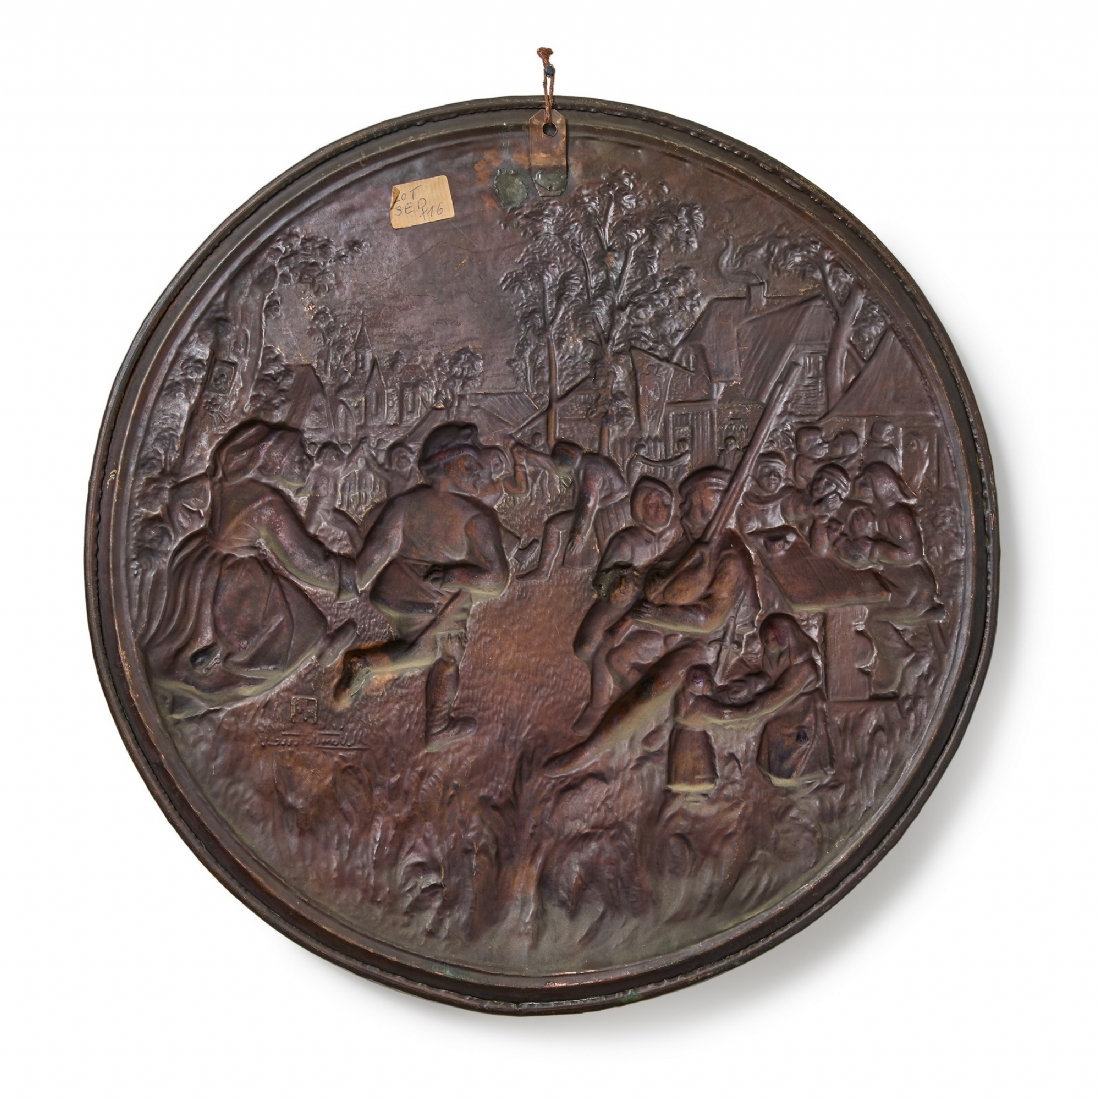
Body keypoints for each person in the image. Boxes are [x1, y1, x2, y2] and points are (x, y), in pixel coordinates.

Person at [549, 466, 760, 772]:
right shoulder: (693, 544)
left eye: (690, 504)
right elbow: (655, 577)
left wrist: (658, 614)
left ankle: (588, 751)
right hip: (668, 627)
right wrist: (638, 593)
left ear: (709, 507)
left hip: (706, 643)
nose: (682, 512)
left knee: (655, 684)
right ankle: (646, 718)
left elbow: (709, 619)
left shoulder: (730, 557)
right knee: (614, 655)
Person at [145, 421, 358, 719]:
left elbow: (182, 495)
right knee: (282, 628)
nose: (308, 462)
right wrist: (344, 577)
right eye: (299, 457)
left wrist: (181, 522)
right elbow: (302, 560)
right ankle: (318, 645)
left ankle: (191, 691)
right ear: (272, 464)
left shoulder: (222, 483)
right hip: (239, 576)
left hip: (201, 564)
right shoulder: (267, 503)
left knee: (199, 631)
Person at [333, 423, 509, 745]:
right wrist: (454, 576)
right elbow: (496, 580)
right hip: (435, 602)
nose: (477, 472)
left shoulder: (403, 505)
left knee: (429, 650)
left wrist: (345, 579)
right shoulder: (476, 519)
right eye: (469, 464)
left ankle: (367, 665)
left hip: (393, 594)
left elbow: (371, 559)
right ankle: (436, 725)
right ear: (448, 466)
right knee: (445, 655)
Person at [832, 462, 942, 697]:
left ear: (880, 487)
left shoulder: (897, 516)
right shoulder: (880, 515)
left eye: (865, 484)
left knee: (875, 619)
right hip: (900, 585)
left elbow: (912, 553)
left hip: (914, 589)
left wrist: (876, 549)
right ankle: (900, 656)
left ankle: (902, 658)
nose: (859, 487)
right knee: (870, 608)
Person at [573, 477, 679, 663]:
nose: (660, 509)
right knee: (585, 647)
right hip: (621, 601)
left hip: (656, 600)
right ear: (639, 508)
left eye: (665, 504)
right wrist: (619, 584)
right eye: (652, 505)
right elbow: (601, 581)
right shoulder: (626, 543)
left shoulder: (674, 535)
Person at [515, 440, 627, 578]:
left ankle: (544, 571)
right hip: (599, 503)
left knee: (554, 526)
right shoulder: (582, 462)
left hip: (607, 507)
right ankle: (543, 571)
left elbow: (588, 501)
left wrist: (578, 533)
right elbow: (549, 464)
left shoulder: (590, 471)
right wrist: (526, 454)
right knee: (554, 525)